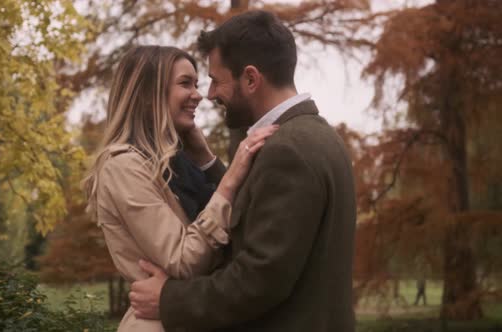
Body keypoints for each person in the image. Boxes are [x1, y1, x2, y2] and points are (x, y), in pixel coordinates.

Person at [130, 10, 357, 332]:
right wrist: (208, 161)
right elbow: (259, 211)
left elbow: (260, 279)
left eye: (215, 80)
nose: (208, 95)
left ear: (250, 79)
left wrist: (169, 299)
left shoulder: (288, 150)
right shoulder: (313, 135)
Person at [82, 45, 278, 332]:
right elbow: (183, 260)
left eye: (196, 84)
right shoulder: (123, 167)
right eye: (185, 83)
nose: (198, 95)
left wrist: (207, 160)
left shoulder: (180, 164)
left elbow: (237, 223)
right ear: (149, 95)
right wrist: (231, 177)